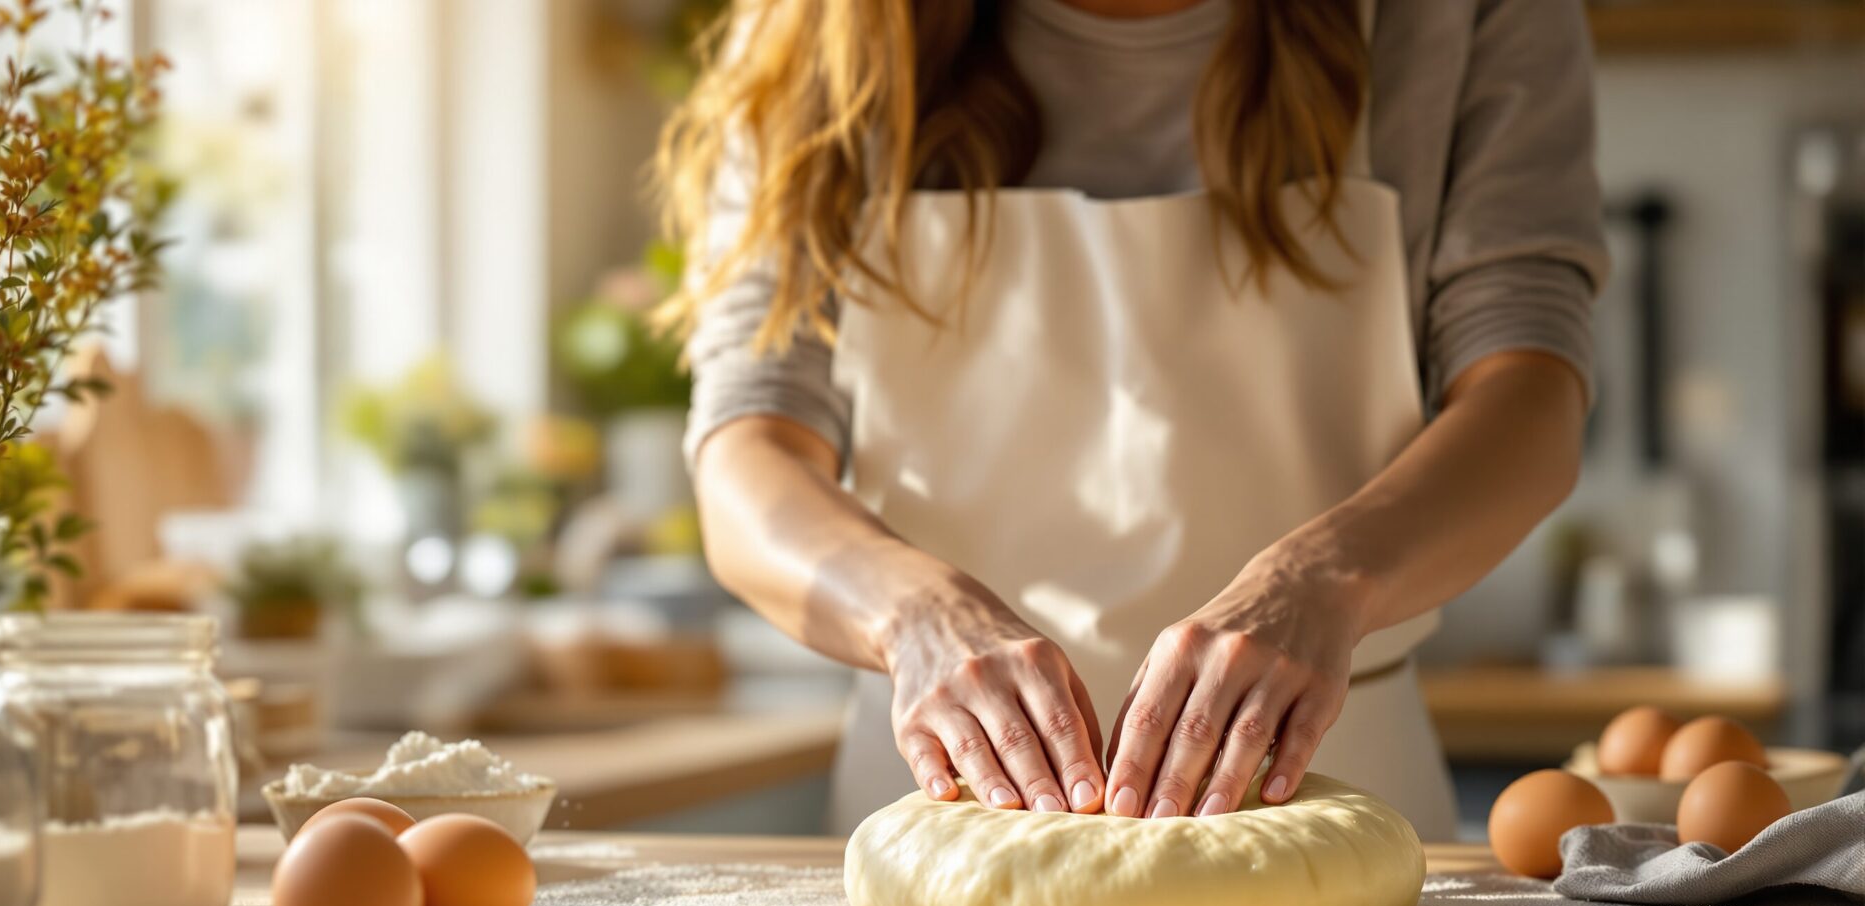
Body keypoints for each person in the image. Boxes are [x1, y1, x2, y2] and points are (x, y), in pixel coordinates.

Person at [657, 0, 1607, 840]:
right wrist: (912, 616)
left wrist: (1322, 581)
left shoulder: (1452, 19)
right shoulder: (824, 31)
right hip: (951, 792)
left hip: (1319, 783)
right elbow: (750, 449)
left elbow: (1527, 391)